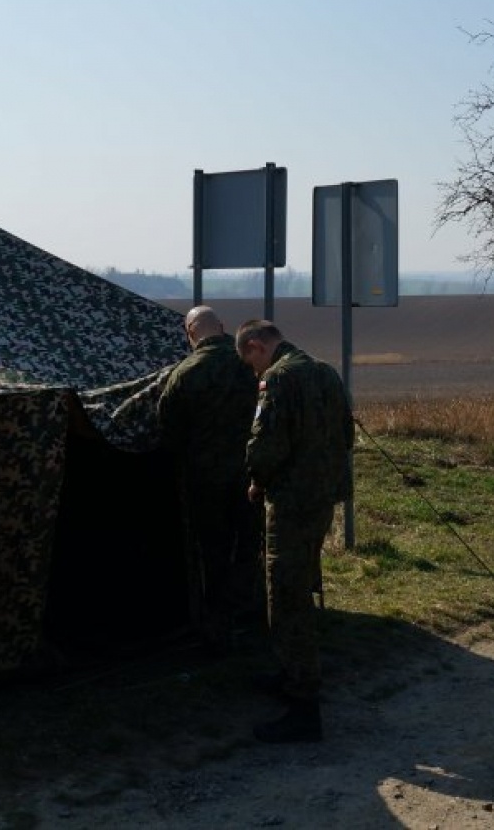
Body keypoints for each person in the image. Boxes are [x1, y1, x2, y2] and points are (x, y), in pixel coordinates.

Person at [237, 318, 353, 744]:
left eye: (250, 363)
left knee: (286, 596)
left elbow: (265, 444)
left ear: (255, 347)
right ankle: (289, 675)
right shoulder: (326, 372)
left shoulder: (277, 379)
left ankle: (303, 706)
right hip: (322, 498)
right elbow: (345, 434)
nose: (253, 372)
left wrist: (256, 479)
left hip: (289, 503)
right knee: (299, 584)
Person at [157, 306, 260, 653]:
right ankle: (256, 614)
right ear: (222, 327)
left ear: (189, 334)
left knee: (213, 551)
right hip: (251, 474)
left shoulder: (185, 373)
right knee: (249, 544)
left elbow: (168, 431)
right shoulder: (252, 365)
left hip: (207, 478)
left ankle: (218, 627)